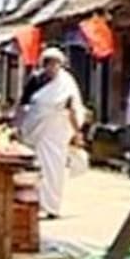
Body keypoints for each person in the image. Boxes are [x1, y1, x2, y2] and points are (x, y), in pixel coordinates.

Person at [16, 48, 84, 218]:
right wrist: (16, 125)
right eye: (49, 63)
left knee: (54, 170)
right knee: (33, 170)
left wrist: (77, 133)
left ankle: (52, 206)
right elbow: (23, 105)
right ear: (43, 64)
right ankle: (35, 204)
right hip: (35, 131)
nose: (52, 67)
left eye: (56, 63)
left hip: (56, 133)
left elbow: (72, 109)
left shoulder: (65, 83)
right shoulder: (36, 80)